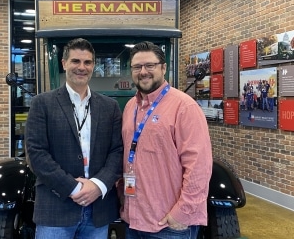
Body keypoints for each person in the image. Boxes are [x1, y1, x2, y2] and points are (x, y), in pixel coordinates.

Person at [25, 38, 123, 239]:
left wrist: (98, 185)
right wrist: (74, 188)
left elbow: (117, 151)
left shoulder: (109, 106)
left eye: (87, 62)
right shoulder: (42, 104)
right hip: (56, 208)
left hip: (98, 209)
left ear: (93, 66)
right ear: (64, 63)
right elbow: (36, 154)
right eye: (75, 61)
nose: (82, 67)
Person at [120, 41, 212, 239]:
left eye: (149, 65)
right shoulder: (130, 107)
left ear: (163, 68)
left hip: (168, 225)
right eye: (137, 67)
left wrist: (182, 213)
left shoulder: (184, 107)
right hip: (133, 220)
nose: (143, 71)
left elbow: (199, 167)